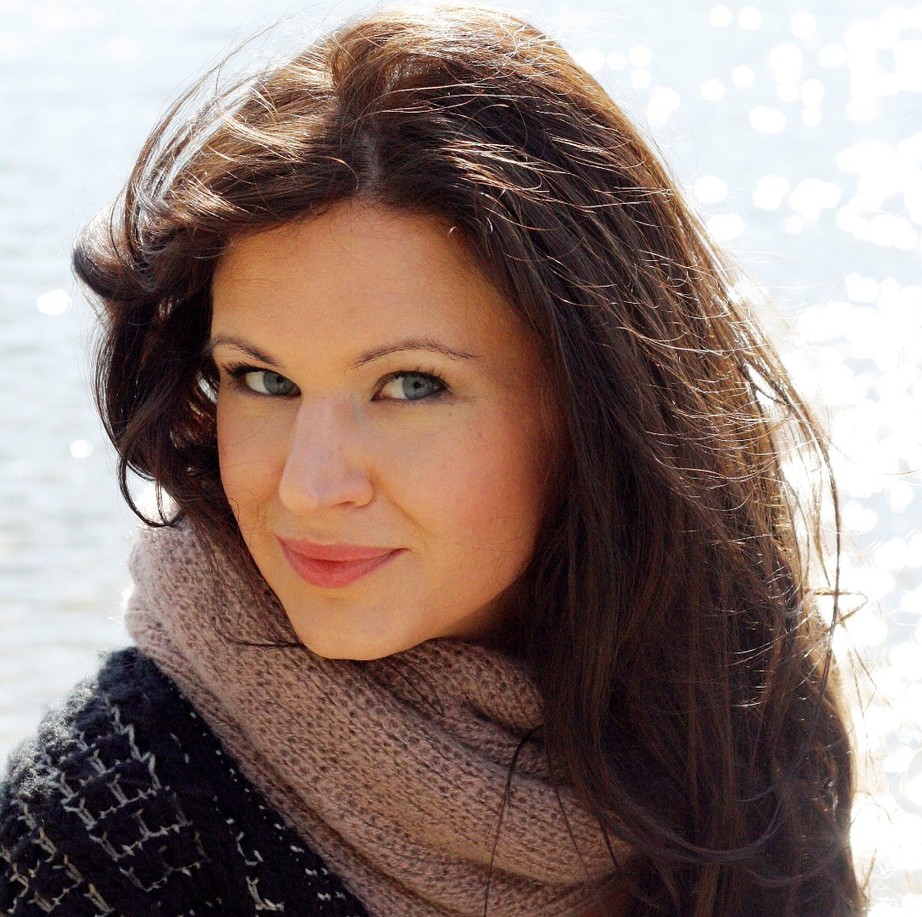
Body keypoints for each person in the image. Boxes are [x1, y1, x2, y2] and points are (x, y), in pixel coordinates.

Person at [0, 3, 865, 914]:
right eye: (262, 379)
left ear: (593, 408)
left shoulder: (732, 718)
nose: (309, 485)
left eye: (410, 385)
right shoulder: (96, 835)